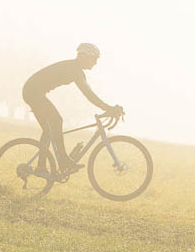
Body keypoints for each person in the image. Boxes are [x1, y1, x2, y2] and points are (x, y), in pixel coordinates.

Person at [22, 43, 123, 180]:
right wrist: (108, 108)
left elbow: (89, 94)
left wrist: (107, 108)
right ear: (84, 57)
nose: (95, 63)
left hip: (35, 91)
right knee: (57, 120)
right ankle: (63, 161)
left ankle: (43, 167)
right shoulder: (74, 69)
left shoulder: (75, 69)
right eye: (94, 59)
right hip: (32, 92)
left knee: (49, 129)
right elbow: (89, 94)